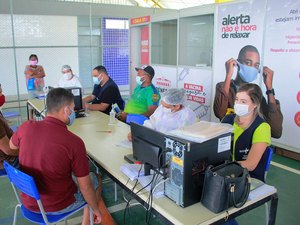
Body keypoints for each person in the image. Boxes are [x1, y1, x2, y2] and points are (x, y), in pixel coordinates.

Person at [9, 88, 115, 225]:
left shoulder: (26, 126)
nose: (74, 112)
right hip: (57, 206)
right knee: (95, 178)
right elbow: (86, 187)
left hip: (29, 201)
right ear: (66, 110)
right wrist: (96, 209)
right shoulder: (74, 142)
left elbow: (12, 147)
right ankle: (89, 219)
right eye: (73, 108)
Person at [213, 45, 283, 138]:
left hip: (250, 144)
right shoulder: (224, 87)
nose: (252, 68)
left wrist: (269, 88)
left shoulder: (256, 94)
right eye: (248, 63)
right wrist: (228, 75)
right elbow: (220, 114)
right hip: (229, 142)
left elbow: (276, 132)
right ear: (237, 63)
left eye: (256, 65)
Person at [222, 83, 271, 182]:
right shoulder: (228, 120)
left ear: (255, 104)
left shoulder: (262, 127)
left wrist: (222, 169)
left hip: (248, 179)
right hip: (225, 175)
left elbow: (251, 164)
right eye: (237, 100)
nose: (238, 104)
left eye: (243, 102)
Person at [128, 88, 197, 141]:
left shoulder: (187, 116)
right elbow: (151, 123)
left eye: (166, 107)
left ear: (177, 106)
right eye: (162, 105)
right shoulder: (161, 108)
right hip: (156, 141)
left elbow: (184, 139)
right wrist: (138, 132)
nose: (162, 108)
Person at [0, 85, 18, 169]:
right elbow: (8, 150)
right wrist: (25, 151)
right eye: (0, 93)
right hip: (10, 161)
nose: (2, 96)